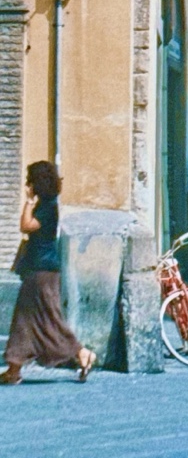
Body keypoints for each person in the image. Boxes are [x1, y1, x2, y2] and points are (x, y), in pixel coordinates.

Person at [2, 162, 96, 385]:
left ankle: (81, 352)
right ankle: (14, 368)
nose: (28, 184)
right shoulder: (47, 204)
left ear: (38, 182)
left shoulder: (46, 207)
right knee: (25, 319)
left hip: (42, 271)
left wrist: (28, 201)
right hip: (39, 269)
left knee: (49, 319)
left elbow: (26, 226)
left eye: (30, 180)